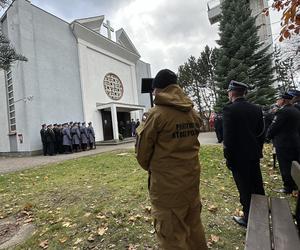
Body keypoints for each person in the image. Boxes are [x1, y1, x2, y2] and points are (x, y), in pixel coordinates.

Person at [136, 69, 207, 250]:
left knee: (171, 236)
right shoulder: (192, 113)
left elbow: (142, 155)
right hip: (191, 182)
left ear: (157, 89)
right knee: (194, 228)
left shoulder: (156, 114)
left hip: (167, 188)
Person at [223, 80, 265, 227]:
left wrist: (228, 157)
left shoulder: (229, 110)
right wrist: (257, 149)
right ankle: (261, 212)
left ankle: (248, 217)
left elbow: (228, 139)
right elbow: (261, 133)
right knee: (256, 184)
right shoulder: (256, 109)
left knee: (245, 188)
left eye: (228, 92)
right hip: (254, 154)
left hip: (238, 157)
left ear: (232, 92)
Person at [266, 92, 300, 194]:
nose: (277, 101)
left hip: (283, 143)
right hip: (295, 141)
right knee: (294, 164)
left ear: (283, 100)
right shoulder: (295, 110)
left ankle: (288, 187)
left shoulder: (282, 112)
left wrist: (268, 136)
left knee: (285, 165)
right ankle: (295, 185)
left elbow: (274, 127)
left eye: (278, 99)